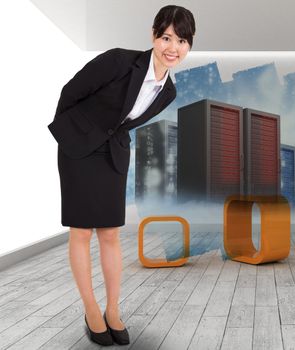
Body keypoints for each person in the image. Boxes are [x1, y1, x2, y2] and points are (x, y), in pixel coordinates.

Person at [47, 5, 195, 346]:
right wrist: (73, 138)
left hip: (114, 153)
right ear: (153, 36)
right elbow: (71, 92)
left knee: (110, 233)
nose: (173, 48)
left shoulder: (168, 91)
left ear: (190, 45)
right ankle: (91, 310)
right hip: (79, 151)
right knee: (82, 231)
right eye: (167, 37)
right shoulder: (119, 61)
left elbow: (126, 120)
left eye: (182, 41)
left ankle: (114, 310)